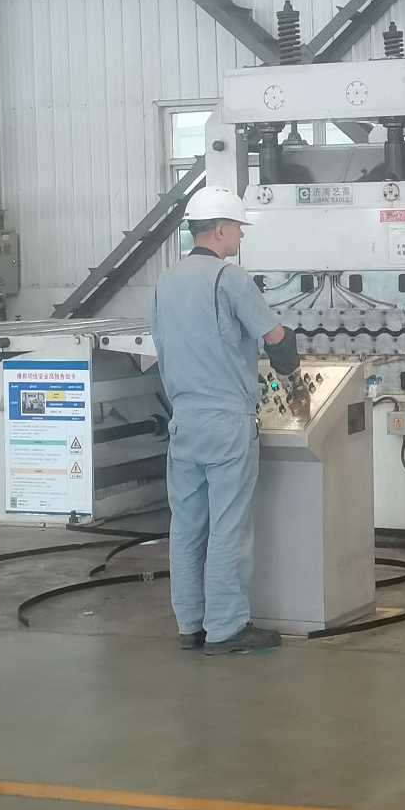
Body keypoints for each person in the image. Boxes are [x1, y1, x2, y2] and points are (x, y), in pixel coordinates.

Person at [150, 186, 303, 655]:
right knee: (228, 526)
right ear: (219, 230)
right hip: (226, 423)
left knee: (186, 526)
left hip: (183, 423)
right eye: (237, 228)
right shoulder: (229, 278)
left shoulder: (165, 282)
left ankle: (190, 624)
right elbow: (276, 338)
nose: (240, 236)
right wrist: (291, 372)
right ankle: (226, 627)